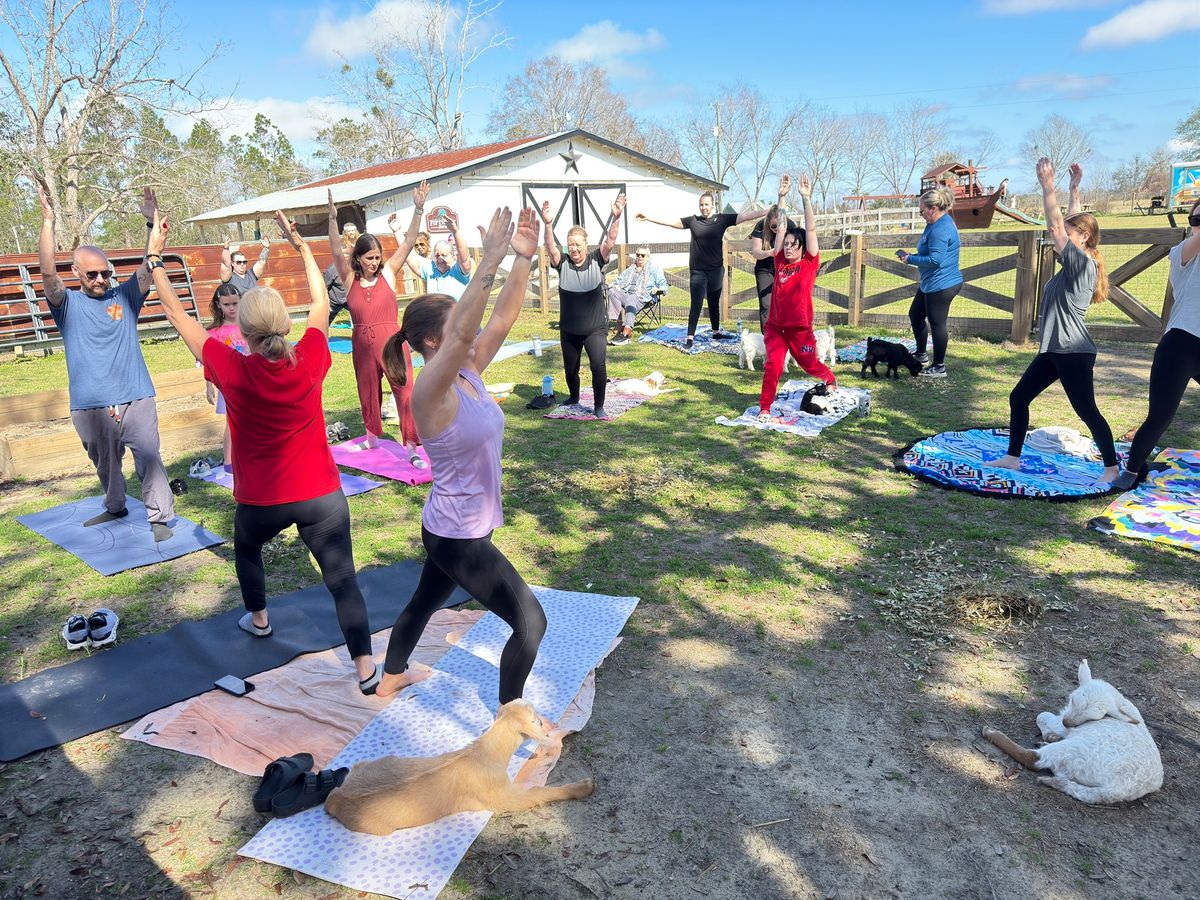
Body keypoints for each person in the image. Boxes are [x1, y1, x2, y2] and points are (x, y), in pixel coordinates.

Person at [147, 205, 382, 694]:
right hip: (321, 495)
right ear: (284, 327)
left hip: (262, 500)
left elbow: (176, 314)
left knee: (248, 548)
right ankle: (364, 667)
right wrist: (300, 246)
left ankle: (259, 619)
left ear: (245, 334)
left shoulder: (230, 366)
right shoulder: (312, 355)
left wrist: (155, 255)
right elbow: (321, 302)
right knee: (342, 579)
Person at [375, 206, 546, 703]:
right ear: (433, 340)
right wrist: (487, 263)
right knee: (530, 623)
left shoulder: (469, 370)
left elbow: (501, 318)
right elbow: (468, 329)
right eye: (454, 328)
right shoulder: (431, 389)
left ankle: (390, 677)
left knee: (426, 600)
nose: (466, 334)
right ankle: (508, 719)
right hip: (458, 536)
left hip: (452, 527)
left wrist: (521, 261)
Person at [36, 182, 175, 541]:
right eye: (92, 274)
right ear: (76, 272)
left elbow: (148, 267)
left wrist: (151, 224)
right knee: (106, 463)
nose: (101, 280)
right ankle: (115, 505)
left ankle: (160, 517)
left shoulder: (125, 297)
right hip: (90, 402)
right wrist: (48, 221)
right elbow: (47, 275)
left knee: (149, 455)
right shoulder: (66, 304)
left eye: (105, 273)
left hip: (135, 395)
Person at [988, 160, 1119, 485]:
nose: (1059, 237)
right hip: (1054, 351)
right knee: (1019, 397)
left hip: (1073, 352)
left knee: (1087, 412)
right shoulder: (1077, 262)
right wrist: (1074, 189)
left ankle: (1112, 469)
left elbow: (1058, 227)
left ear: (1084, 238)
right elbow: (1070, 225)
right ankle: (1013, 458)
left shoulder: (1082, 265)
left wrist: (1048, 185)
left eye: (1071, 234)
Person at [327, 183, 429, 466]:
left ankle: (411, 447)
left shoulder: (389, 274)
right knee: (368, 392)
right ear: (358, 258)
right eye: (369, 258)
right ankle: (371, 437)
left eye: (377, 257)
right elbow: (336, 251)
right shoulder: (350, 280)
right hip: (361, 344)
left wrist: (419, 209)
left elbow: (408, 243)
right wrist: (332, 218)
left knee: (405, 391)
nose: (375, 262)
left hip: (392, 344)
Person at [1111, 197, 1200, 490]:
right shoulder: (1183, 253)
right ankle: (1132, 470)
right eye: (1197, 220)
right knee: (1160, 416)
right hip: (1180, 345)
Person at [756, 174, 837, 423]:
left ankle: (830, 378)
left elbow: (810, 229)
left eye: (794, 244)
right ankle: (765, 408)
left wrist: (806, 198)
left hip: (800, 330)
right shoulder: (780, 261)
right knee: (774, 366)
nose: (789, 247)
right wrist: (780, 198)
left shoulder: (809, 263)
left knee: (810, 365)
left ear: (802, 248)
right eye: (787, 244)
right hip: (776, 328)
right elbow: (780, 227)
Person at [637, 192, 766, 348]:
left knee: (713, 302)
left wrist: (766, 212)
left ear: (712, 205)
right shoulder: (693, 221)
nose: (704, 207)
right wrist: (649, 217)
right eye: (701, 205)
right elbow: (670, 222)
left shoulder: (722, 219)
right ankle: (690, 338)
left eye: (706, 204)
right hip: (698, 271)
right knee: (696, 302)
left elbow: (746, 216)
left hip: (716, 270)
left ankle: (716, 332)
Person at [542, 193, 625, 418]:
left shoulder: (596, 260)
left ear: (586, 245)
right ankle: (574, 396)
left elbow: (610, 241)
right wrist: (548, 224)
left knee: (598, 366)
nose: (575, 249)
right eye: (571, 245)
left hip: (595, 328)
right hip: (569, 330)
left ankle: (599, 406)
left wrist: (616, 218)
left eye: (578, 245)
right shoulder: (563, 264)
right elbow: (550, 247)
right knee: (571, 368)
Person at [897, 184, 962, 378]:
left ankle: (939, 366)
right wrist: (913, 255)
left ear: (933, 208)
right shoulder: (933, 224)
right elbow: (928, 252)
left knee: (937, 324)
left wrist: (910, 259)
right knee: (915, 315)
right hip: (930, 283)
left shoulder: (941, 229)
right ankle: (921, 354)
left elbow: (936, 260)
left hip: (942, 285)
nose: (921, 214)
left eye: (922, 211)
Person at [204, 283, 249, 469]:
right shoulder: (214, 333)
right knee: (232, 422)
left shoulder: (249, 325)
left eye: (235, 303)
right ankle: (229, 462)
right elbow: (208, 360)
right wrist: (208, 385)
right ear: (218, 305)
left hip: (251, 379)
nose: (231, 308)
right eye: (226, 305)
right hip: (228, 384)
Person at [607, 245, 667, 345]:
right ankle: (618, 322)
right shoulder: (631, 268)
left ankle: (626, 332)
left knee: (632, 298)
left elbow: (663, 284)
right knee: (612, 291)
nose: (639, 257)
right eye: (637, 255)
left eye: (642, 255)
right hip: (627, 295)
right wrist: (616, 285)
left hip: (643, 297)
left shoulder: (654, 269)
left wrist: (659, 289)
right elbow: (618, 280)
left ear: (648, 257)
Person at [406, 212, 472, 300]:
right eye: (437, 255)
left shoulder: (458, 271)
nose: (440, 258)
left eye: (444, 255)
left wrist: (455, 232)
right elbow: (410, 257)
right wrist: (397, 231)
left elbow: (464, 258)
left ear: (452, 256)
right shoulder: (431, 269)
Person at [325, 222, 360, 325]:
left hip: (349, 296)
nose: (351, 232)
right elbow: (324, 285)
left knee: (358, 317)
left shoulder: (360, 244)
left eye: (352, 230)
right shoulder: (333, 268)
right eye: (348, 231)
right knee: (326, 320)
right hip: (335, 299)